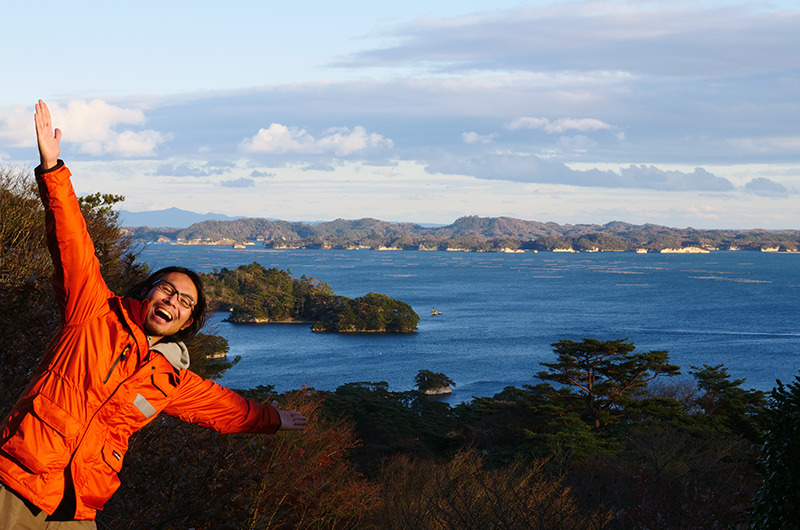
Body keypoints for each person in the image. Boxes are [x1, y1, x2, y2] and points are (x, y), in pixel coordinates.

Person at [0, 100, 307, 528]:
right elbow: (72, 242)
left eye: (186, 304)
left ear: (186, 324)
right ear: (147, 292)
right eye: (168, 289)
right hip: (17, 482)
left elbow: (224, 409)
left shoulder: (168, 378)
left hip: (78, 509)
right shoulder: (94, 313)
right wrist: (53, 170)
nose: (174, 302)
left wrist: (272, 419)